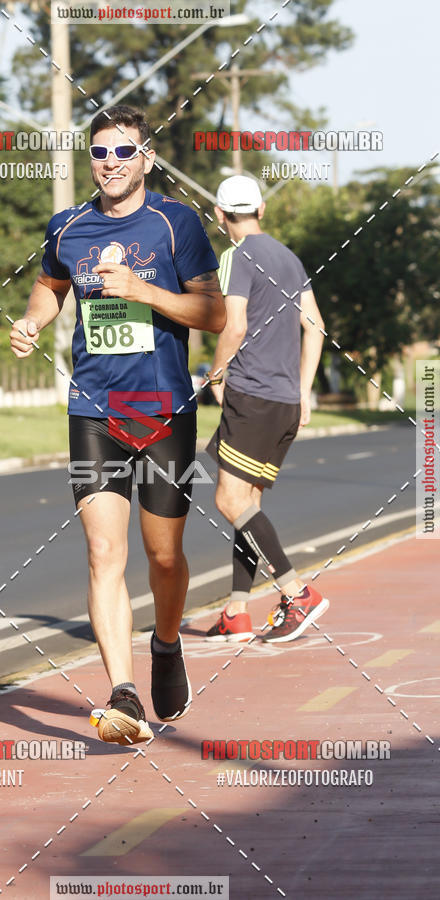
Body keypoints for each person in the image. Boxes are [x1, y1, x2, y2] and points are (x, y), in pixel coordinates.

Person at [10, 105, 225, 744]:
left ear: (145, 158)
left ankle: (165, 643)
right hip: (93, 411)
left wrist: (145, 291)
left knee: (164, 555)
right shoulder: (67, 226)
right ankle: (122, 695)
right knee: (104, 551)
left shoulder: (176, 223)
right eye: (100, 152)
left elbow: (213, 314)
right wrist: (33, 321)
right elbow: (50, 285)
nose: (109, 163)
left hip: (163, 413)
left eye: (123, 152)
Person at [204, 175, 328, 644]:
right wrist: (304, 392)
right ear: (262, 210)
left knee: (229, 501)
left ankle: (298, 593)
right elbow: (315, 327)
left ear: (220, 216)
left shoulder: (237, 256)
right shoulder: (289, 257)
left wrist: (216, 374)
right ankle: (237, 610)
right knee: (248, 506)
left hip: (252, 396)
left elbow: (233, 327)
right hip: (283, 401)